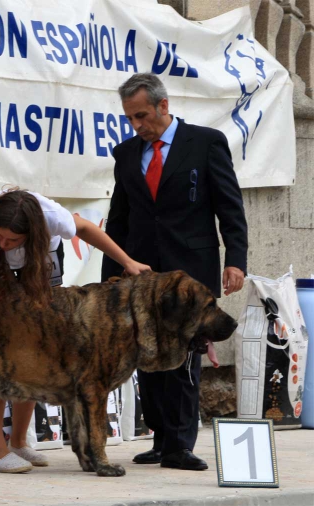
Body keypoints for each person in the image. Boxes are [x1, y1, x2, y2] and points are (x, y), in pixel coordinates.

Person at [0, 188, 151, 473]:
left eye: (13, 239)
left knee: (40, 341)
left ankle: (19, 441)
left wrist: (128, 262)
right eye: (1, 236)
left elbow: (86, 229)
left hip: (42, 257)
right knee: (0, 345)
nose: (6, 243)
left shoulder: (51, 218)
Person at [101, 73, 248, 471]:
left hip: (191, 273)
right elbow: (119, 220)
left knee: (185, 355)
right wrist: (109, 277)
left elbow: (229, 207)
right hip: (143, 277)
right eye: (130, 118)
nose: (137, 125)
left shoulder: (205, 143)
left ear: (164, 106)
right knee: (145, 354)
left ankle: (180, 444)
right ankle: (160, 438)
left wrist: (236, 258)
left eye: (142, 115)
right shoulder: (127, 154)